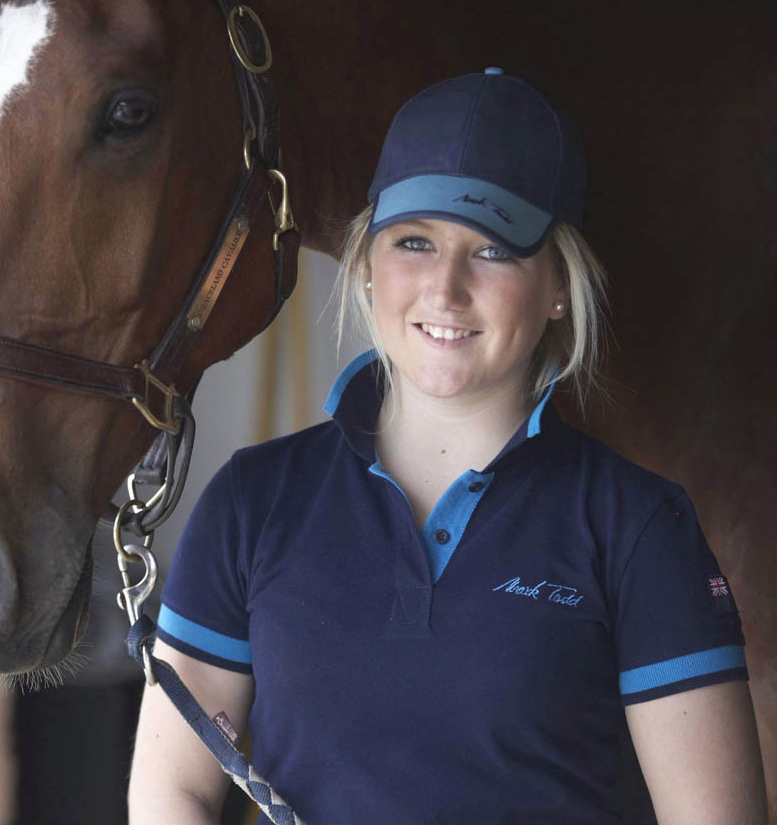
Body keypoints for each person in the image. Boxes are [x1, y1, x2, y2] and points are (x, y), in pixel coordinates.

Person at [128, 69, 767, 824]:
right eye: (415, 242)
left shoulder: (639, 527)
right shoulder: (252, 501)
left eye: (492, 251)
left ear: (558, 285)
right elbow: (175, 789)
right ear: (367, 266)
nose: (445, 289)